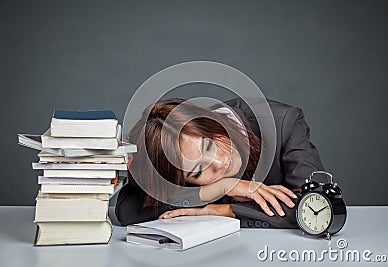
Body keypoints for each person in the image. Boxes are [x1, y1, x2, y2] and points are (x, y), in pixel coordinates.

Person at [116, 97, 324, 228]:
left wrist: (219, 210)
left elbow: (319, 208)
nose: (220, 162)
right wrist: (220, 188)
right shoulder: (176, 166)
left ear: (209, 124)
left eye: (209, 145)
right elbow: (127, 212)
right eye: (198, 172)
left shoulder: (283, 123)